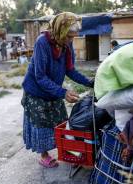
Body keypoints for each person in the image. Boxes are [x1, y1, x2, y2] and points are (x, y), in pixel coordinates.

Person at [22, 12, 94, 168]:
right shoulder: (42, 43)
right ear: (60, 31)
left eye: (73, 36)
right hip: (37, 92)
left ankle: (68, 151)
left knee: (62, 122)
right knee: (41, 125)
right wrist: (63, 93)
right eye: (69, 36)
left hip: (52, 89)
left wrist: (90, 82)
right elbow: (40, 76)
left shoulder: (66, 45)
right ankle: (44, 155)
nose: (71, 40)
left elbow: (70, 70)